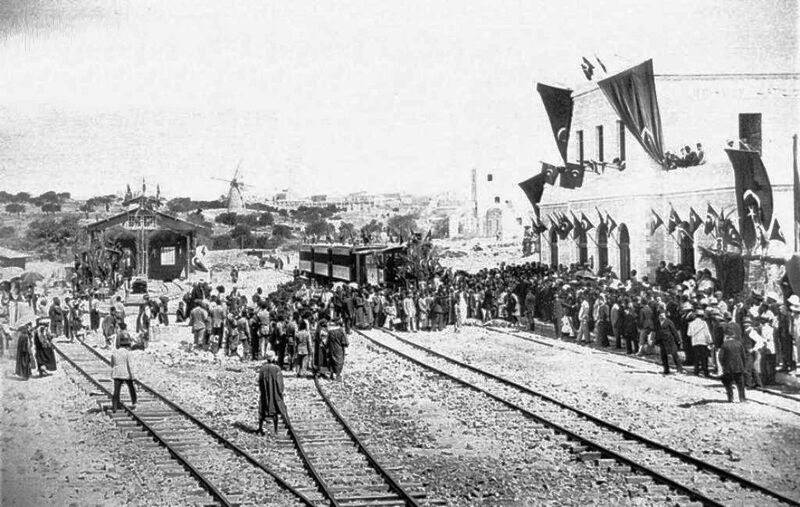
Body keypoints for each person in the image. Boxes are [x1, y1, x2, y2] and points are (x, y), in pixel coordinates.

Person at [257, 350, 284, 435]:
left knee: (262, 409)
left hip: (264, 393)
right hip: (274, 394)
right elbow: (280, 383)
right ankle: (276, 430)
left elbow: (260, 381)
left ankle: (260, 427)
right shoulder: (277, 369)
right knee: (275, 411)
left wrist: (262, 391)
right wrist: (280, 392)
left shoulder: (262, 368)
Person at [110, 329, 137, 412]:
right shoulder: (128, 353)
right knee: (131, 387)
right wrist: (133, 375)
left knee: (116, 391)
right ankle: (134, 402)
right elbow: (130, 365)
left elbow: (112, 364)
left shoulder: (114, 353)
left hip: (117, 373)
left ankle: (114, 407)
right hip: (126, 373)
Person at [719, 332, 747, 402]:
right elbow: (743, 356)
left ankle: (730, 398)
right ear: (734, 336)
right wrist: (743, 365)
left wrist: (723, 365)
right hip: (738, 367)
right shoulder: (739, 344)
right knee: (740, 384)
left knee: (728, 383)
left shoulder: (724, 344)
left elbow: (720, 357)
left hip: (728, 368)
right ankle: (742, 398)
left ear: (727, 336)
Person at [687, 309, 712, 377]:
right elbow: (707, 333)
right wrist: (710, 341)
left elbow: (689, 334)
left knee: (696, 357)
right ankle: (705, 372)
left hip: (695, 342)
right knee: (704, 358)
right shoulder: (704, 323)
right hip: (703, 341)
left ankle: (696, 371)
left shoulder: (691, 323)